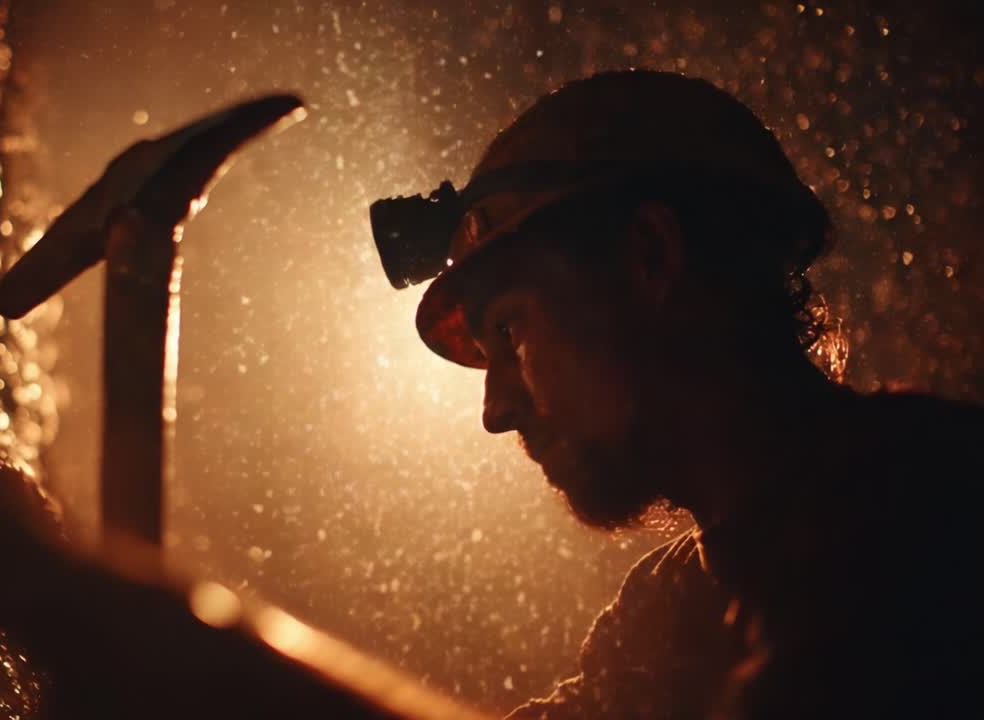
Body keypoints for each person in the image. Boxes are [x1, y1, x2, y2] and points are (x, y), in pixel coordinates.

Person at [382, 70, 982, 719]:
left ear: (649, 254)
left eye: (510, 329)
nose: (494, 410)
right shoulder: (664, 613)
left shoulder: (927, 511)